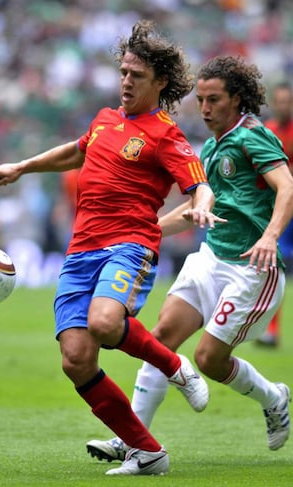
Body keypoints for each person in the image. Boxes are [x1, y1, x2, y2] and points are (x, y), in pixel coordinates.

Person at [0, 21, 222, 476]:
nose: (126, 81)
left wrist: (201, 206)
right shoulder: (104, 120)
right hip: (80, 252)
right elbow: (76, 152)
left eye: (136, 75)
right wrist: (22, 166)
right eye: (123, 72)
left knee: (103, 321)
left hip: (129, 245)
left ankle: (174, 366)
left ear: (160, 83)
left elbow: (198, 184)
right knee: (76, 359)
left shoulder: (166, 134)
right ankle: (147, 451)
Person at [86, 55, 293, 463]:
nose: (205, 108)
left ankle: (274, 398)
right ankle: (135, 441)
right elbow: (195, 209)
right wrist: (142, 235)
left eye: (214, 99)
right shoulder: (213, 146)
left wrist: (271, 236)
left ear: (237, 99)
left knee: (208, 360)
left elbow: (286, 187)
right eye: (200, 100)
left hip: (252, 268)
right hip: (211, 258)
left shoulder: (253, 136)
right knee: (161, 336)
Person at [256, 81, 293, 347]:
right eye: (280, 101)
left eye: (288, 101)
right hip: (281, 207)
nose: (284, 106)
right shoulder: (267, 132)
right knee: (274, 264)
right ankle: (271, 329)